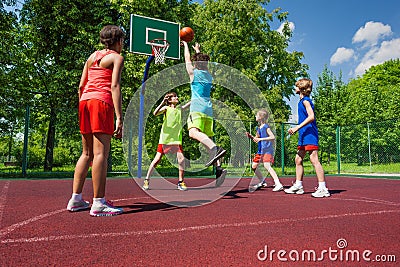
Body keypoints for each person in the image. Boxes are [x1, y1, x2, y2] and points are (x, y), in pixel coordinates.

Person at [66, 25, 125, 216]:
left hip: (85, 101)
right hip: (101, 102)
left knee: (86, 153)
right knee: (101, 154)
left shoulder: (91, 57)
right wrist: (119, 117)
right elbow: (114, 86)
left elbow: (81, 86)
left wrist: (84, 104)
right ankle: (98, 203)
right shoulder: (116, 58)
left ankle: (76, 199)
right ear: (118, 41)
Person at [182, 41, 227, 186]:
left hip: (197, 108)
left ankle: (216, 149)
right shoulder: (208, 75)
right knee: (209, 139)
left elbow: (187, 59)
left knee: (193, 132)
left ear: (196, 64)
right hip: (208, 110)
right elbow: (198, 60)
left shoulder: (193, 74)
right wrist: (198, 50)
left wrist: (186, 46)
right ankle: (219, 168)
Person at [284, 78, 330, 197]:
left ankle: (323, 188)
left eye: (296, 86)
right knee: (298, 159)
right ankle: (299, 186)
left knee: (314, 159)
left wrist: (296, 128)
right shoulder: (300, 102)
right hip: (303, 135)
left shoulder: (306, 101)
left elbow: (311, 117)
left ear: (301, 89)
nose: (294, 88)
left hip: (310, 134)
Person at [143, 92, 190, 191]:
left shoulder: (179, 109)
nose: (177, 98)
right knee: (157, 160)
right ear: (169, 100)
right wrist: (162, 103)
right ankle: (147, 179)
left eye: (177, 96)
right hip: (165, 139)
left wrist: (197, 98)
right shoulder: (166, 108)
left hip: (177, 139)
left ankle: (181, 182)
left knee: (181, 160)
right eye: (175, 97)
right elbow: (155, 113)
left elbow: (189, 104)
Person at [247, 109, 284, 191]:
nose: (255, 116)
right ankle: (262, 182)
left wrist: (261, 139)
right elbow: (257, 138)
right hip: (260, 151)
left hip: (267, 150)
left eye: (256, 115)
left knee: (267, 165)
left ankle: (278, 183)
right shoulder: (258, 128)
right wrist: (251, 137)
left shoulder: (266, 127)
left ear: (260, 117)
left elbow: (272, 137)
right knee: (254, 166)